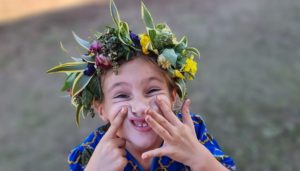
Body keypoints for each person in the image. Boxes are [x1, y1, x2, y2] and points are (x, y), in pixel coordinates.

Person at [48, 1, 236, 171]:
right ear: (101, 109)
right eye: (121, 95)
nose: (140, 108)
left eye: (152, 90)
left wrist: (200, 159)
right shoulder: (90, 156)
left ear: (173, 96)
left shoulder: (191, 134)